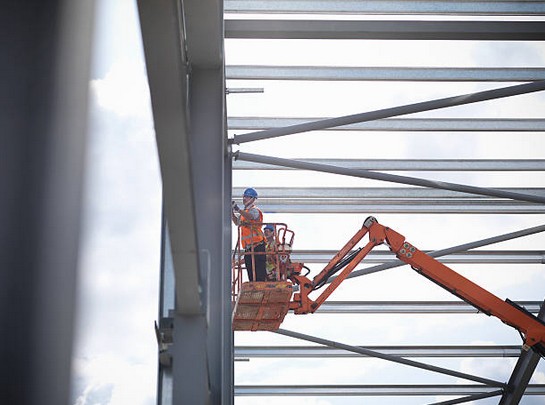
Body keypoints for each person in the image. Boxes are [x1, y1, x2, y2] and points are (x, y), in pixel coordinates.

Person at [231, 188, 267, 281]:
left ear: (253, 198)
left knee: (259, 273)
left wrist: (237, 209)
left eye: (247, 197)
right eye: (244, 196)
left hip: (257, 245)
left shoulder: (254, 210)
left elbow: (251, 216)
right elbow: (237, 222)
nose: (244, 199)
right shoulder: (244, 213)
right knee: (251, 273)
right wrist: (231, 211)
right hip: (248, 248)